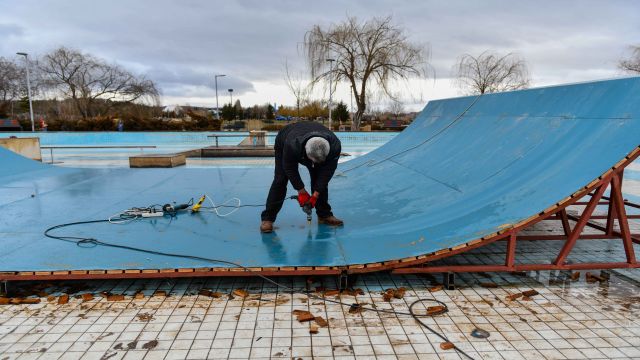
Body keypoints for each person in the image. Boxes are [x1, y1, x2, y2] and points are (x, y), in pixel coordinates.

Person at [260, 121, 344, 233]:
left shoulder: (335, 146)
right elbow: (289, 168)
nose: (314, 164)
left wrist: (315, 195)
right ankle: (268, 219)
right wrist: (301, 191)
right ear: (305, 151)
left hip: (310, 142)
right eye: (312, 161)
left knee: (320, 178)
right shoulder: (292, 144)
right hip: (284, 140)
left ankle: (324, 215)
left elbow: (327, 173)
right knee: (280, 179)